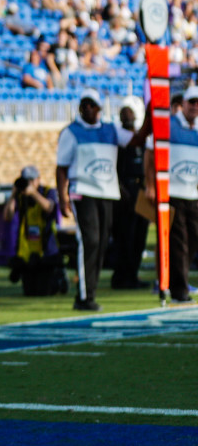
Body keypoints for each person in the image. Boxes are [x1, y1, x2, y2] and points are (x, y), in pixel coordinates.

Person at [57, 88, 149, 311]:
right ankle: (84, 297)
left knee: (101, 243)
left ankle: (91, 290)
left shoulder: (111, 130)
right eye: (85, 104)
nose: (88, 108)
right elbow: (61, 168)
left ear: (99, 108)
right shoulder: (72, 132)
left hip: (107, 193)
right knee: (90, 240)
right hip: (83, 191)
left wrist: (151, 117)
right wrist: (63, 197)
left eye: (92, 104)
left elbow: (136, 140)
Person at [144, 85, 198, 304]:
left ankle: (179, 282)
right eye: (191, 102)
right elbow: (149, 153)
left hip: (192, 194)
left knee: (192, 239)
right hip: (172, 192)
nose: (195, 106)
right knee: (178, 242)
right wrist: (150, 185)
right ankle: (179, 291)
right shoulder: (167, 126)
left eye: (197, 102)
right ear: (182, 104)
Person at [3, 166, 66, 295]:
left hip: (46, 250)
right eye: (26, 180)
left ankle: (59, 279)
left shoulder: (48, 191)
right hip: (27, 252)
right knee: (30, 292)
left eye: (32, 180)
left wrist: (33, 193)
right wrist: (13, 195)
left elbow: (49, 207)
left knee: (44, 292)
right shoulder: (20, 197)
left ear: (38, 179)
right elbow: (7, 216)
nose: (29, 183)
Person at [110, 97, 149, 289]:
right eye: (124, 112)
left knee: (139, 235)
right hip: (125, 191)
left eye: (130, 112)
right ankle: (121, 276)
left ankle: (133, 275)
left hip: (141, 189)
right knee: (124, 235)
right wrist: (119, 187)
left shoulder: (142, 139)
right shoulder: (118, 137)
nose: (127, 116)